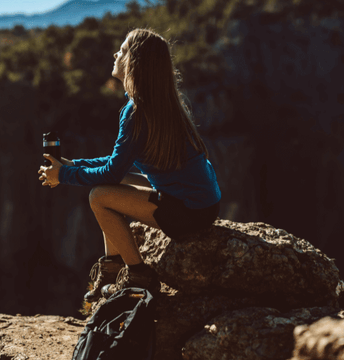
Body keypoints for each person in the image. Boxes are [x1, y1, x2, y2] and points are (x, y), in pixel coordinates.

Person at [37, 29, 221, 302]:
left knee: (99, 196)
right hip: (202, 204)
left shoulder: (136, 112)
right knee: (108, 185)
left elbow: (112, 172)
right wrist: (73, 165)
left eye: (122, 51)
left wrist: (63, 175)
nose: (116, 54)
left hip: (189, 211)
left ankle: (137, 275)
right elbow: (116, 164)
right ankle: (111, 271)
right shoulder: (162, 104)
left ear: (134, 62)